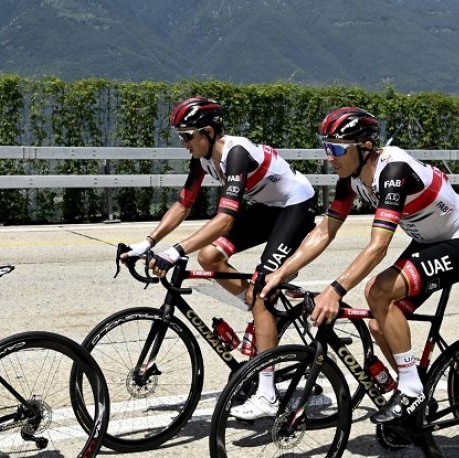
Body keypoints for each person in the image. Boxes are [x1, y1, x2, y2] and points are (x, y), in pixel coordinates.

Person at [260, 106, 459, 424]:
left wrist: (335, 290)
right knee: (380, 324)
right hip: (427, 241)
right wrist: (280, 272)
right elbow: (324, 231)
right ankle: (415, 395)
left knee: (377, 291)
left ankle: (411, 391)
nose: (330, 157)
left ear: (365, 147)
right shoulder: (351, 178)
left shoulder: (393, 171)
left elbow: (378, 246)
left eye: (337, 149)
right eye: (327, 148)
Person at [122, 96, 317, 419]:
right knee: (209, 256)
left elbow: (225, 219)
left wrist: (174, 251)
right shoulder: (202, 158)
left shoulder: (235, 154)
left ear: (209, 132)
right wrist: (148, 242)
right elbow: (183, 205)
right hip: (268, 208)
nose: (183, 143)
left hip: (295, 206)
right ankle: (263, 311)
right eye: (179, 136)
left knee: (262, 293)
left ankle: (267, 394)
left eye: (187, 136)